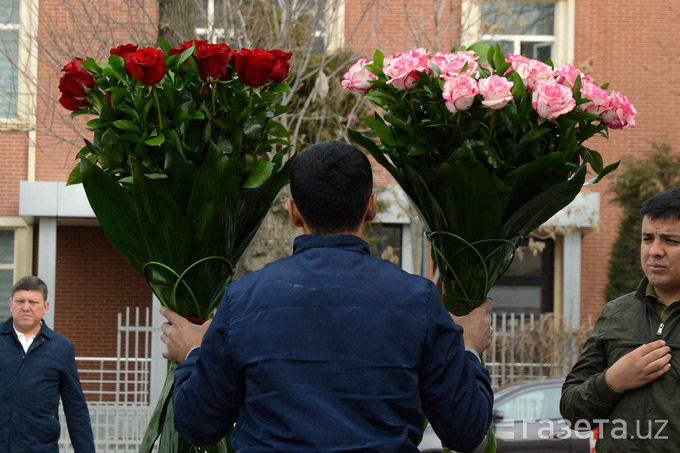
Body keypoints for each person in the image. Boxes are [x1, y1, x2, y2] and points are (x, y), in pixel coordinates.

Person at [160, 140, 494, 452]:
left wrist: (193, 352)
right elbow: (465, 430)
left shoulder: (244, 299)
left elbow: (200, 425)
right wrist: (468, 349)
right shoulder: (417, 300)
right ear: (371, 207)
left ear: (293, 212)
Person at [561, 187, 680, 451]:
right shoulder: (616, 314)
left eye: (671, 241)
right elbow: (572, 412)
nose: (654, 251)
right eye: (647, 238)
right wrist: (612, 381)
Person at [0, 276, 95, 452]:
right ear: (11, 304)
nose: (26, 307)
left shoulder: (61, 348)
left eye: (33, 302)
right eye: (20, 301)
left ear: (45, 307)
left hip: (40, 448)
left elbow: (75, 407)